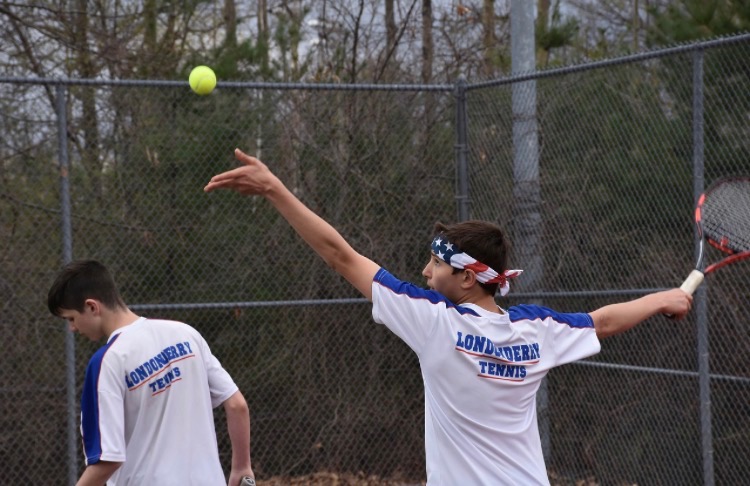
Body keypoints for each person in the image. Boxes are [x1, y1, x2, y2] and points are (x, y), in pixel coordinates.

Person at [204, 148, 693, 485]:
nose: (424, 270)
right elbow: (602, 321)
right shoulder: (537, 331)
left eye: (435, 263)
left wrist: (275, 190)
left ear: (466, 280)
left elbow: (340, 255)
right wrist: (662, 297)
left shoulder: (435, 321)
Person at [47, 260, 255, 486]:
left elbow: (107, 460)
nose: (72, 328)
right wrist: (242, 468)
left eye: (71, 318)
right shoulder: (185, 333)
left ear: (92, 307)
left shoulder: (107, 363)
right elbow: (237, 405)